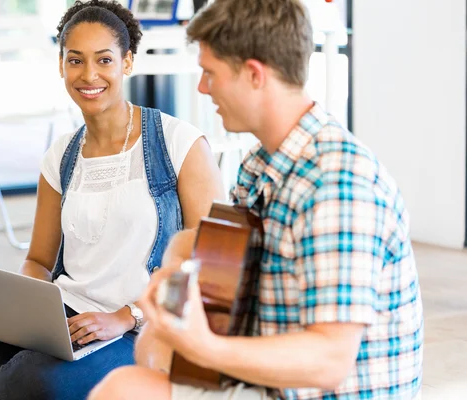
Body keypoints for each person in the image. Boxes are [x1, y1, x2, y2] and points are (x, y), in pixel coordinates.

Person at [0, 1, 224, 399]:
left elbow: (208, 263)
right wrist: (28, 313)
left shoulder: (180, 144)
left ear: (126, 62)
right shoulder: (61, 156)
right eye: (75, 60)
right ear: (61, 65)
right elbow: (38, 260)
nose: (89, 75)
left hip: (141, 327)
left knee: (24, 382)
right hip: (66, 317)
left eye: (104, 60)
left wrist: (126, 316)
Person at [89, 0, 424, 399]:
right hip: (273, 380)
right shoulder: (260, 163)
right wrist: (178, 269)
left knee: (123, 389)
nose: (202, 87)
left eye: (210, 73)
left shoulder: (338, 185)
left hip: (321, 389)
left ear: (253, 75)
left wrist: (205, 347)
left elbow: (330, 361)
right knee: (143, 360)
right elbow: (222, 257)